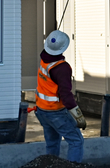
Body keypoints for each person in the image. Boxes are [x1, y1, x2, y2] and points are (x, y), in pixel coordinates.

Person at [35, 30, 86, 162]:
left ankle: (50, 165)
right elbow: (66, 95)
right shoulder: (61, 68)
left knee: (52, 144)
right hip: (56, 112)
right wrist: (78, 116)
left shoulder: (44, 59)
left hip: (42, 110)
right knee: (76, 141)